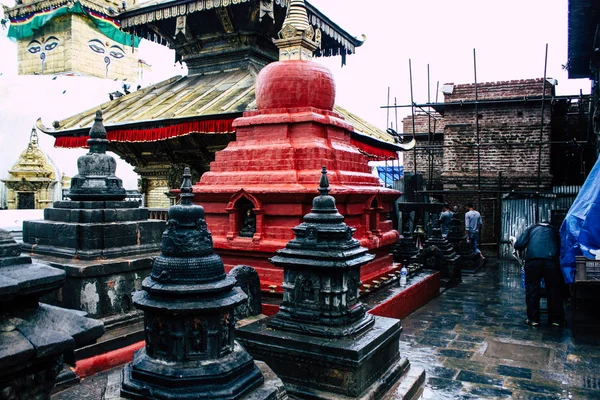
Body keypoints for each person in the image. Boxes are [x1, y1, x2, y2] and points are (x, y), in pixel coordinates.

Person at [513, 222, 565, 327]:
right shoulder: (554, 230)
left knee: (532, 289)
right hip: (551, 262)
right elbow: (562, 246)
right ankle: (555, 319)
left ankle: (533, 319)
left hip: (533, 261)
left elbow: (519, 244)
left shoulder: (532, 228)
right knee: (554, 289)